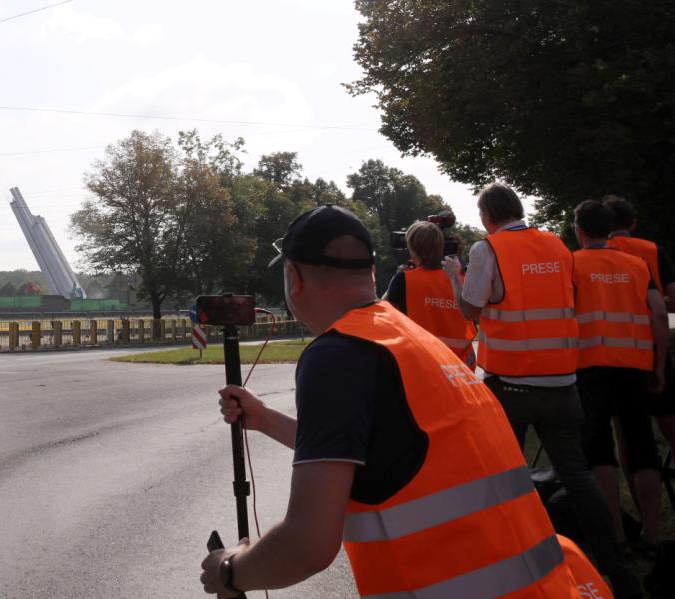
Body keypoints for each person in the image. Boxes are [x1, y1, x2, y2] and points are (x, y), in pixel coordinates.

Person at [200, 204, 580, 597]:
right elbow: (381, 452)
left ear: (293, 277)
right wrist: (264, 418)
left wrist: (228, 570)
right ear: (371, 271)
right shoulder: (403, 337)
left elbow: (307, 545)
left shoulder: (337, 354)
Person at [443, 183, 641, 598]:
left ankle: (516, 571)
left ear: (488, 215)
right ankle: (621, 574)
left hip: (511, 383)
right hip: (563, 382)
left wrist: (453, 275)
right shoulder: (557, 246)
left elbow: (469, 309)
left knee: (506, 479)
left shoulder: (488, 249)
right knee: (578, 476)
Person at [572, 200, 666, 551]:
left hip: (589, 365)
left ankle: (615, 535)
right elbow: (658, 313)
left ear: (579, 230)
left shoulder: (572, 264)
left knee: (598, 450)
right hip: (635, 364)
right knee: (643, 445)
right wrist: (659, 366)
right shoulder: (638, 265)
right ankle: (652, 534)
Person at [604, 195, 675, 459]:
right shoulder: (652, 250)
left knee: (624, 429)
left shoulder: (595, 255)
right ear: (632, 223)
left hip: (612, 349)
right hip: (653, 341)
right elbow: (672, 301)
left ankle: (636, 488)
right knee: (667, 414)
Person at [383, 220, 477, 366]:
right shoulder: (459, 279)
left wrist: (397, 278)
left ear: (412, 249)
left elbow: (382, 313)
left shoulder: (405, 280)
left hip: (425, 367)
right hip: (462, 369)